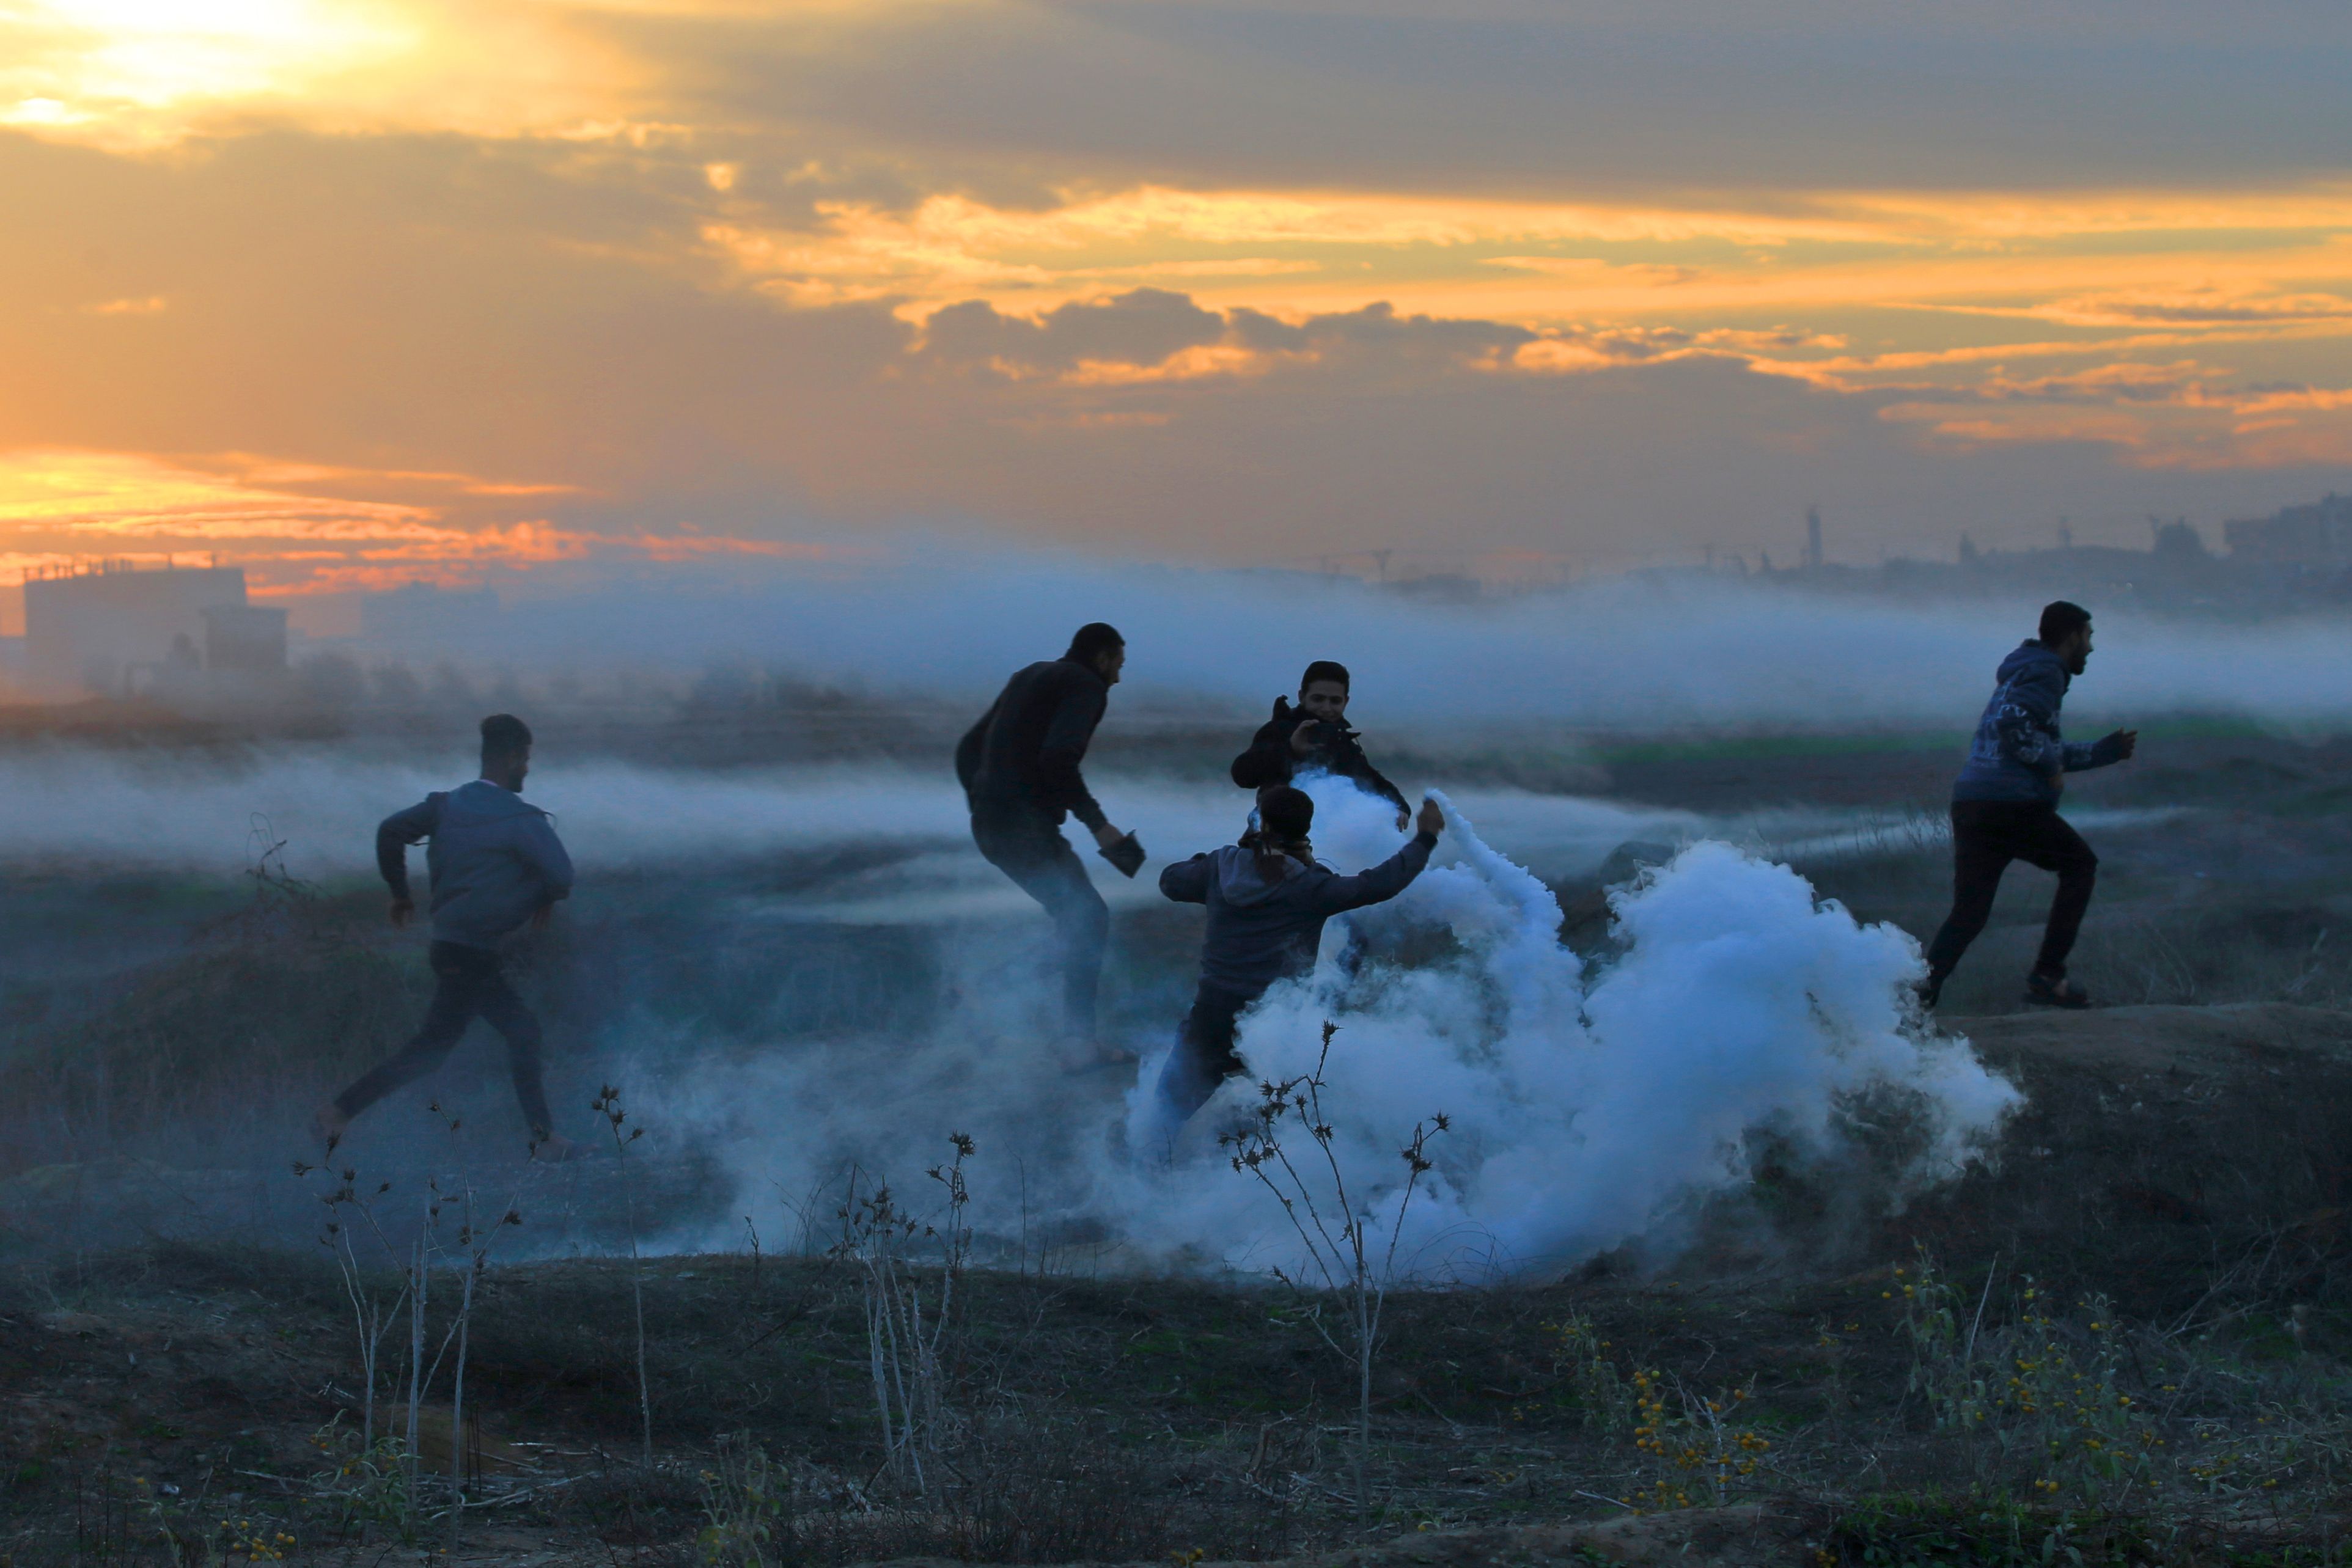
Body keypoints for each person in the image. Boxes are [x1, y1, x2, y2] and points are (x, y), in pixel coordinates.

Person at [314, 714, 576, 1157]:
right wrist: (539, 899)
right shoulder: (520, 819)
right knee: (489, 1038)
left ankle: (341, 1111)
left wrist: (400, 895)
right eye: (526, 760)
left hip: (451, 947)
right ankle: (339, 1112)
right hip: (471, 953)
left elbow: (390, 832)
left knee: (490, 1037)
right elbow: (561, 876)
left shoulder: (447, 806)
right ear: (512, 758)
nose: (527, 769)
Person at [1152, 786, 1444, 1128]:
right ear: (1305, 828)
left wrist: (1223, 856)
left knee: (1165, 1115)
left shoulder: (1221, 867)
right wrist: (1425, 838)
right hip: (1275, 1024)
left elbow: (1171, 881)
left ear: (1261, 823)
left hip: (1213, 1014)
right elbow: (1378, 884)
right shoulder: (1310, 886)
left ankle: (1143, 1167)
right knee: (1284, 1120)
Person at [1920, 601, 2138, 1011]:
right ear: (2071, 637)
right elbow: (2014, 727)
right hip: (2010, 805)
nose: (2091, 648)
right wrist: (2050, 764)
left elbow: (2029, 739)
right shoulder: (2046, 671)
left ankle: (1917, 1002)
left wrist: (2101, 753)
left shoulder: (2022, 672)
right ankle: (2048, 974)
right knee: (2080, 865)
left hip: (1974, 802)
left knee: (1968, 916)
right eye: (2088, 637)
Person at [955, 623, 1139, 1066]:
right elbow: (1058, 758)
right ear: (1103, 658)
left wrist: (983, 804)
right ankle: (1076, 1044)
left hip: (994, 825)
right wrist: (1100, 827)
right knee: (1088, 917)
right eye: (1118, 665)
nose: (1118, 677)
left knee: (1076, 918)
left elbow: (969, 747)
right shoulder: (1086, 686)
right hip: (1023, 828)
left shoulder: (1030, 674)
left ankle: (988, 991)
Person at [1231, 661, 1411, 829]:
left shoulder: (1342, 742)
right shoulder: (1281, 730)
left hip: (1332, 838)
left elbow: (1371, 781)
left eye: (1335, 701)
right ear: (1302, 697)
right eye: (1318, 699)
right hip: (1275, 840)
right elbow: (1243, 775)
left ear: (1346, 701)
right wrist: (1290, 750)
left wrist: (1398, 807)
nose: (1326, 708)